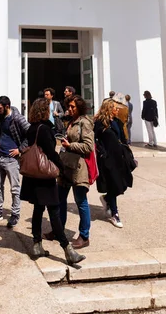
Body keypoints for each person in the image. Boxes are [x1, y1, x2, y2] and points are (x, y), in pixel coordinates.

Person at [20, 98, 85, 265]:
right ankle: (67, 250)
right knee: (54, 211)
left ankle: (37, 245)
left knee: (38, 209)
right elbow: (50, 152)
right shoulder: (45, 129)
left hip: (33, 175)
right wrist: (61, 167)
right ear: (45, 111)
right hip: (44, 176)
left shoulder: (32, 128)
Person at [51, 96, 94, 248]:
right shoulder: (71, 121)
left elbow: (88, 146)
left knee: (81, 202)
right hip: (66, 166)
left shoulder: (85, 123)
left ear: (80, 107)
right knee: (60, 199)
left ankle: (84, 236)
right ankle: (58, 230)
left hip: (78, 168)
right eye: (68, 106)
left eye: (72, 107)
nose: (69, 109)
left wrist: (70, 145)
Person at [0, 96, 29, 228]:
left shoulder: (17, 118)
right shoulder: (0, 116)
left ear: (7, 106)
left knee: (15, 189)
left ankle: (15, 214)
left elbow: (30, 133)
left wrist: (20, 150)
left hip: (12, 159)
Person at [94, 99, 133, 228]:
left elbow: (123, 139)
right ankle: (114, 214)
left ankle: (107, 198)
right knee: (114, 184)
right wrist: (102, 153)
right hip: (108, 159)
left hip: (119, 158)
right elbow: (95, 140)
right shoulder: (100, 123)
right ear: (109, 109)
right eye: (115, 108)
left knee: (123, 185)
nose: (117, 110)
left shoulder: (117, 122)